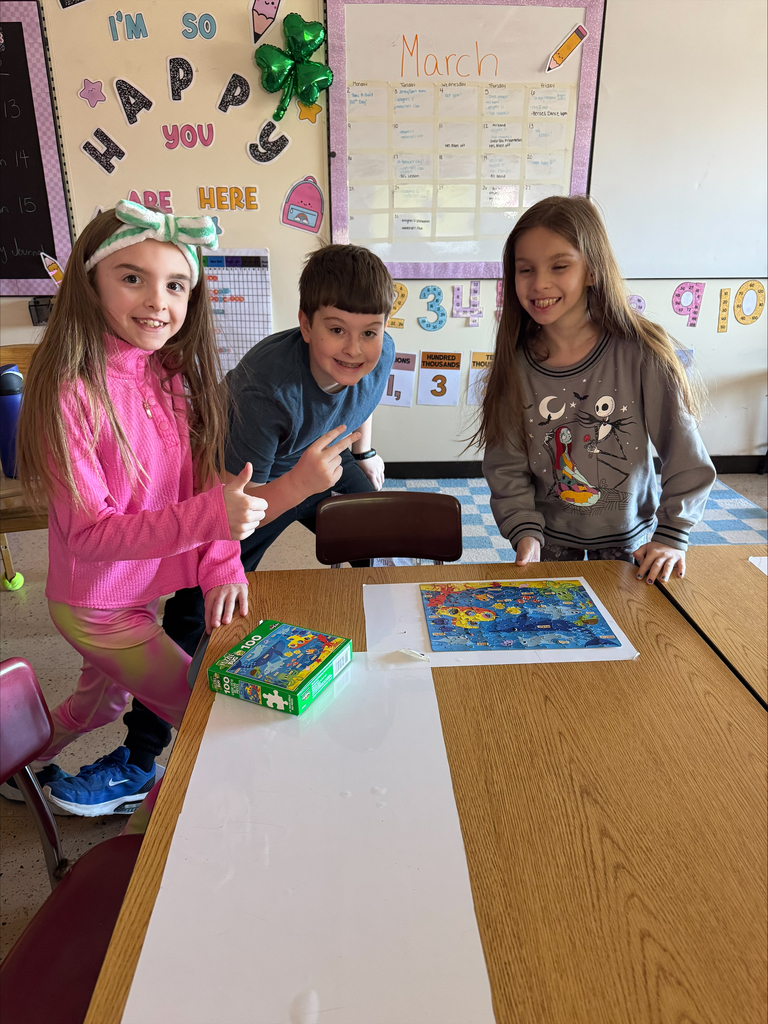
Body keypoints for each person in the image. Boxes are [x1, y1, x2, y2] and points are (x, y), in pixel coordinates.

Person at [3, 200, 266, 817]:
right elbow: (93, 536)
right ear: (91, 285)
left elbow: (204, 490)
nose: (157, 302)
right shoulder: (73, 394)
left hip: (138, 591)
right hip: (96, 607)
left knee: (102, 705)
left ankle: (20, 762)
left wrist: (222, 564)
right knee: (210, 712)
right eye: (132, 278)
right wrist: (212, 523)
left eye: (175, 284)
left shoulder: (171, 375)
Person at [161, 242, 396, 656]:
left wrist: (363, 453)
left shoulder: (382, 352)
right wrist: (301, 485)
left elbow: (359, 400)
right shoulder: (265, 390)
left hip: (319, 456)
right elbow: (233, 505)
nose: (354, 349)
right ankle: (151, 718)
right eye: (337, 329)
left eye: (369, 333)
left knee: (377, 534)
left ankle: (367, 640)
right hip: (238, 476)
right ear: (306, 326)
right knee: (203, 598)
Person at [476, 195, 715, 580]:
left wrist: (673, 534)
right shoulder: (514, 365)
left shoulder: (643, 352)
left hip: (629, 542)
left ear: (591, 270)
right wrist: (523, 529)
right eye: (525, 270)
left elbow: (686, 456)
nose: (540, 284)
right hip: (547, 543)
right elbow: (506, 464)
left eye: (559, 266)